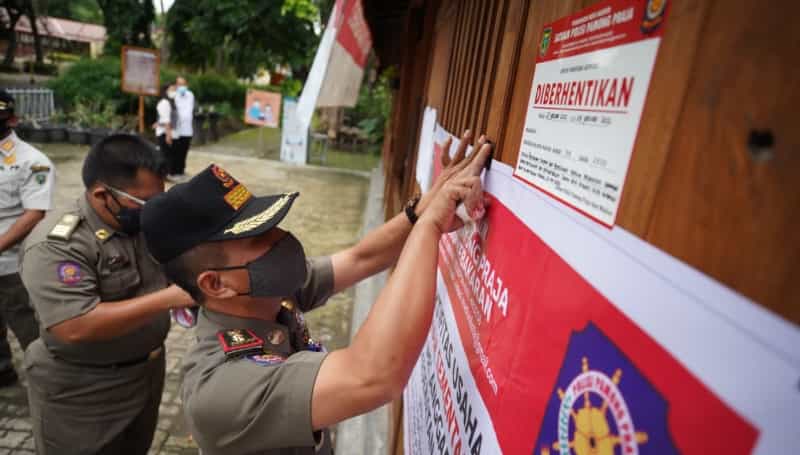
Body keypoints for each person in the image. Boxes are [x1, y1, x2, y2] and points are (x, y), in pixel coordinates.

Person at [140, 131, 491, 454]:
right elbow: (372, 375)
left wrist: (418, 211)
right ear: (216, 284)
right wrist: (430, 227)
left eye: (272, 225)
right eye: (259, 237)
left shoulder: (266, 295)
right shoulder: (220, 386)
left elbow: (360, 258)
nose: (282, 239)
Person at [20, 134, 195, 454]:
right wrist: (172, 297)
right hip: (84, 391)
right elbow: (74, 325)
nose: (154, 209)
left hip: (146, 375)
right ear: (103, 195)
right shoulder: (58, 244)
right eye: (146, 202)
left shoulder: (140, 223)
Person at [0, 89, 55, 387]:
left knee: (27, 326)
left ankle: (47, 382)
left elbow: (34, 214)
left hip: (12, 266)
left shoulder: (33, 162)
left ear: (12, 119)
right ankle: (3, 370)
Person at [171, 76, 195, 182]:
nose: (182, 86)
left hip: (188, 129)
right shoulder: (173, 95)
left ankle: (181, 171)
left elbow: (190, 109)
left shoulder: (190, 95)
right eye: (179, 84)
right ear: (176, 85)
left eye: (184, 84)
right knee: (176, 151)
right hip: (177, 129)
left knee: (184, 151)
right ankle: (175, 172)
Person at [154, 83, 178, 169]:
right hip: (164, 133)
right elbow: (166, 121)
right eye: (171, 89)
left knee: (166, 155)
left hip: (164, 132)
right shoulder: (165, 103)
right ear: (165, 91)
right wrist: (168, 135)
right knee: (165, 156)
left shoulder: (168, 102)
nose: (174, 91)